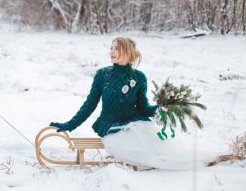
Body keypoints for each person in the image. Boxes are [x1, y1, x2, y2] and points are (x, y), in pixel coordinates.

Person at [50, 37, 209, 170]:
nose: (111, 52)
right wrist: (69, 125)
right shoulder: (102, 75)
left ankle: (184, 163)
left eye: (116, 48)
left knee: (157, 145)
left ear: (127, 52)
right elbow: (90, 104)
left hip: (134, 123)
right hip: (111, 128)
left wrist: (161, 107)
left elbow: (143, 108)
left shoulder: (139, 77)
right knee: (131, 148)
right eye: (111, 48)